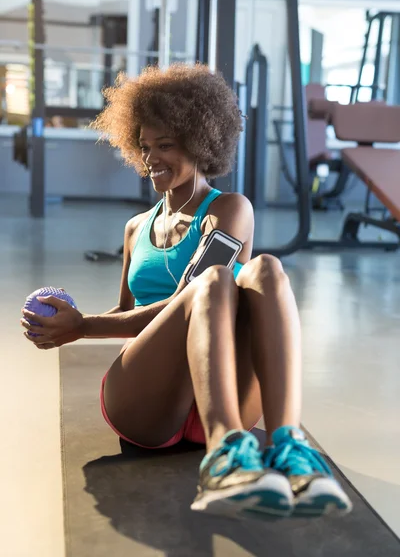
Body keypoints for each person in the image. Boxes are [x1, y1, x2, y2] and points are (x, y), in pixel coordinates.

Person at [21, 64, 352, 521]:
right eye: (145, 147)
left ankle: (288, 446)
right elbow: (129, 312)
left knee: (265, 271)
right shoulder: (136, 227)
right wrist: (73, 326)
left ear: (200, 141)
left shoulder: (230, 210)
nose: (151, 159)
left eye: (166, 145)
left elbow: (192, 295)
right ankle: (225, 454)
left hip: (225, 391)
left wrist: (81, 328)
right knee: (213, 283)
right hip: (148, 401)